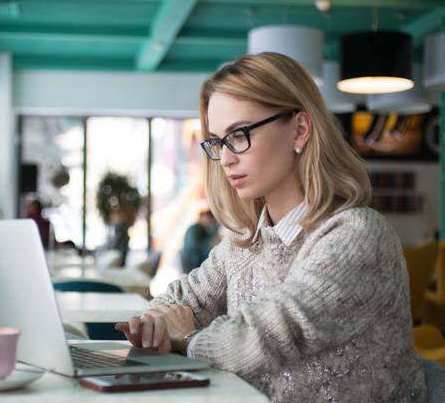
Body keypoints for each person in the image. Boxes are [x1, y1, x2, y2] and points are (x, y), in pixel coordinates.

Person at [116, 52, 427, 402]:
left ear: (299, 129)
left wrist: (187, 339)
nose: (227, 158)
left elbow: (266, 336)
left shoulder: (357, 236)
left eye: (238, 134)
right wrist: (158, 322)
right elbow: (179, 299)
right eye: (218, 142)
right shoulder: (245, 244)